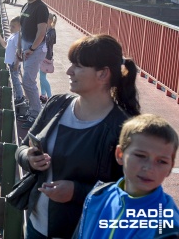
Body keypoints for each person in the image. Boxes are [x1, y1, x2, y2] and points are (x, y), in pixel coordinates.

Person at [16, 34, 141, 238]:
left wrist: (77, 192)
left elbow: (132, 193)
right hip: (35, 224)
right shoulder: (56, 104)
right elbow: (22, 148)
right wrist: (28, 157)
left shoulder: (123, 129)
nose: (69, 71)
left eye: (78, 66)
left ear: (103, 74)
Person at [73, 114, 179, 239]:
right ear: (120, 154)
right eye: (140, 156)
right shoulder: (98, 195)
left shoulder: (167, 228)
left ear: (170, 168)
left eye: (162, 161)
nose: (149, 168)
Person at [19, 0, 49, 126]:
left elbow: (41, 32)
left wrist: (31, 49)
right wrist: (20, 48)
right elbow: (21, 30)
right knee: (29, 81)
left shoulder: (41, 8)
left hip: (35, 49)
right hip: (26, 48)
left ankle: (36, 115)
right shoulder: (26, 6)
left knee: (27, 81)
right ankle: (32, 109)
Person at [0, 16, 25, 105]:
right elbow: (5, 45)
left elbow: (19, 51)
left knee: (15, 81)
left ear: (19, 26)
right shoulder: (13, 36)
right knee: (14, 80)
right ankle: (17, 96)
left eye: (13, 26)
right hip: (11, 63)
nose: (10, 28)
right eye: (10, 26)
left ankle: (20, 97)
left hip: (14, 63)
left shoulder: (18, 37)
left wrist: (16, 64)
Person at [39, 14, 57, 103]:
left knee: (42, 78)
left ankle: (50, 96)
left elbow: (46, 41)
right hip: (45, 55)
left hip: (46, 56)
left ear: (50, 21)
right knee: (42, 76)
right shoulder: (49, 30)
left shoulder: (51, 32)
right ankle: (43, 95)